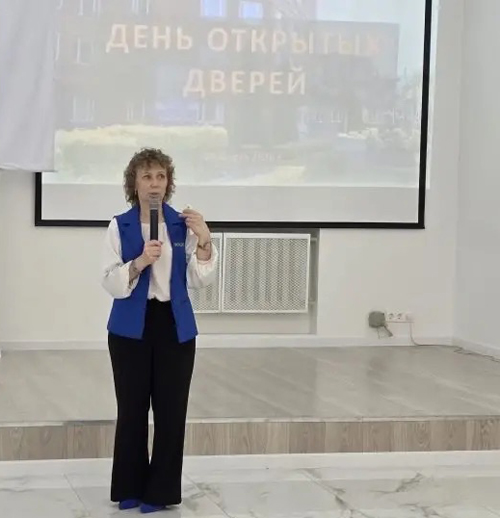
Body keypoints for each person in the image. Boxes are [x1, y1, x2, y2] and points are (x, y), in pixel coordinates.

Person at [101, 148, 218, 514]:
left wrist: (205, 240)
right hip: (129, 329)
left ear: (168, 183)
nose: (154, 184)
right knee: (132, 409)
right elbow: (110, 281)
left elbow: (199, 280)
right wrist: (139, 262)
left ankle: (160, 491)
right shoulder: (119, 225)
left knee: (170, 412)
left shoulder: (182, 224)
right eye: (147, 176)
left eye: (161, 177)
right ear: (133, 183)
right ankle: (129, 487)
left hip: (174, 326)